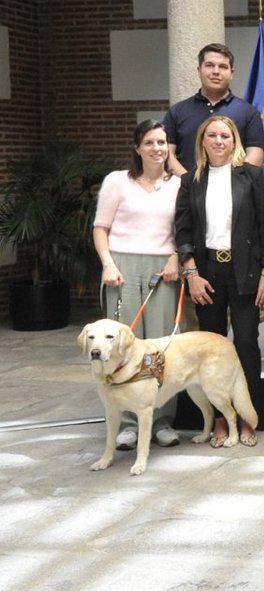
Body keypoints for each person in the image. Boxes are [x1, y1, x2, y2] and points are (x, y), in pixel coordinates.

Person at [175, 114, 264, 447]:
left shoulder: (252, 176)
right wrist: (191, 274)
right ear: (202, 141)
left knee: (246, 342)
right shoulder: (191, 180)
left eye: (226, 136)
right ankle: (220, 417)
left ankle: (249, 417)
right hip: (207, 274)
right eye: (213, 135)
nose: (219, 141)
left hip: (245, 270)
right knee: (211, 348)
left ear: (235, 141)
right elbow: (184, 230)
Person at [92, 120, 183, 450]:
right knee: (122, 346)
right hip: (123, 268)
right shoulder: (117, 182)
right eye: (149, 142)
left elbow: (185, 230)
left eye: (162, 142)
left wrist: (174, 256)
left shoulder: (178, 185)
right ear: (137, 148)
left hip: (163, 271)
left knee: (159, 348)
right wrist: (108, 264)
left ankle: (161, 420)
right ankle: (127, 424)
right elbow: (100, 228)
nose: (157, 148)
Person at [164, 43, 264, 175]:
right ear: (199, 70)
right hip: (187, 191)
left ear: (231, 73)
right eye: (209, 65)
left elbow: (255, 156)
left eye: (223, 67)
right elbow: (167, 154)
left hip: (233, 192)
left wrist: (230, 182)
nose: (216, 71)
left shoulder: (248, 112)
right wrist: (189, 183)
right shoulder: (177, 111)